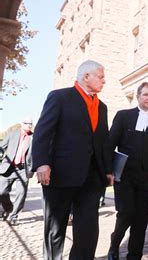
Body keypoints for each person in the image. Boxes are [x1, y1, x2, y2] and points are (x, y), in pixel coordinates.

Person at [32, 60, 113, 260]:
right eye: (101, 76)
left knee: (88, 230)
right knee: (55, 228)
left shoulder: (102, 107)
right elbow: (43, 132)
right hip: (61, 175)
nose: (104, 81)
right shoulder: (60, 97)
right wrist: (42, 163)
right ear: (86, 77)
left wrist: (108, 170)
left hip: (92, 178)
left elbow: (103, 141)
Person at [107, 82, 148, 260]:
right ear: (138, 96)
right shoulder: (124, 116)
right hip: (125, 177)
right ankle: (114, 245)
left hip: (146, 179)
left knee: (141, 220)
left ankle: (134, 255)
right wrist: (109, 171)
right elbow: (110, 144)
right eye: (146, 95)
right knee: (125, 215)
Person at [0, 117, 34, 225]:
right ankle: (8, 208)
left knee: (21, 193)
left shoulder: (34, 137)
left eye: (30, 123)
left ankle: (14, 216)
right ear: (22, 123)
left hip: (23, 169)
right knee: (2, 192)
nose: (29, 125)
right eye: (26, 123)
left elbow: (37, 153)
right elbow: (1, 147)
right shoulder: (12, 134)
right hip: (8, 168)